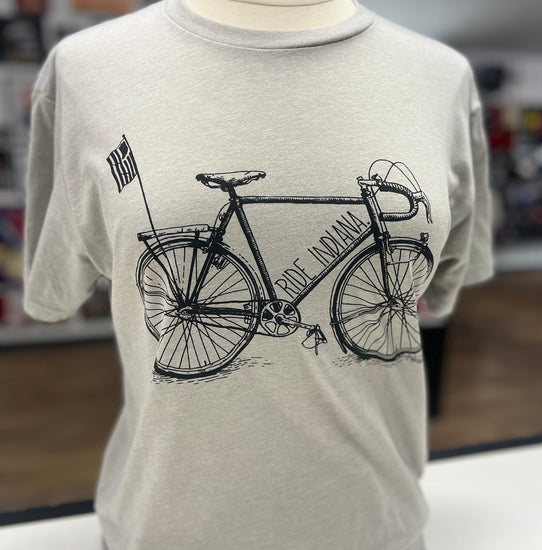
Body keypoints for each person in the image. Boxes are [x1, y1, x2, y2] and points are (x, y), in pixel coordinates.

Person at [23, 1, 493, 548]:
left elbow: (442, 286)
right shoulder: (84, 67)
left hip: (376, 526)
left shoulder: (443, 77)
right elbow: (55, 287)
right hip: (165, 528)